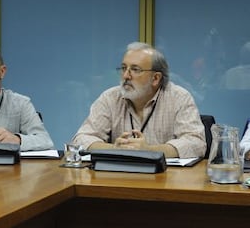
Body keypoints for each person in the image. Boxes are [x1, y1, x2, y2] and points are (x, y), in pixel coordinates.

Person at [73, 42, 206, 158]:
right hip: (118, 179)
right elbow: (81, 139)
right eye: (124, 68)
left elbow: (196, 143)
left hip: (165, 180)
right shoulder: (110, 98)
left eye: (135, 69)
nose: (126, 76)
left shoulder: (179, 98)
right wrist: (114, 149)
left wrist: (149, 151)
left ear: (155, 78)